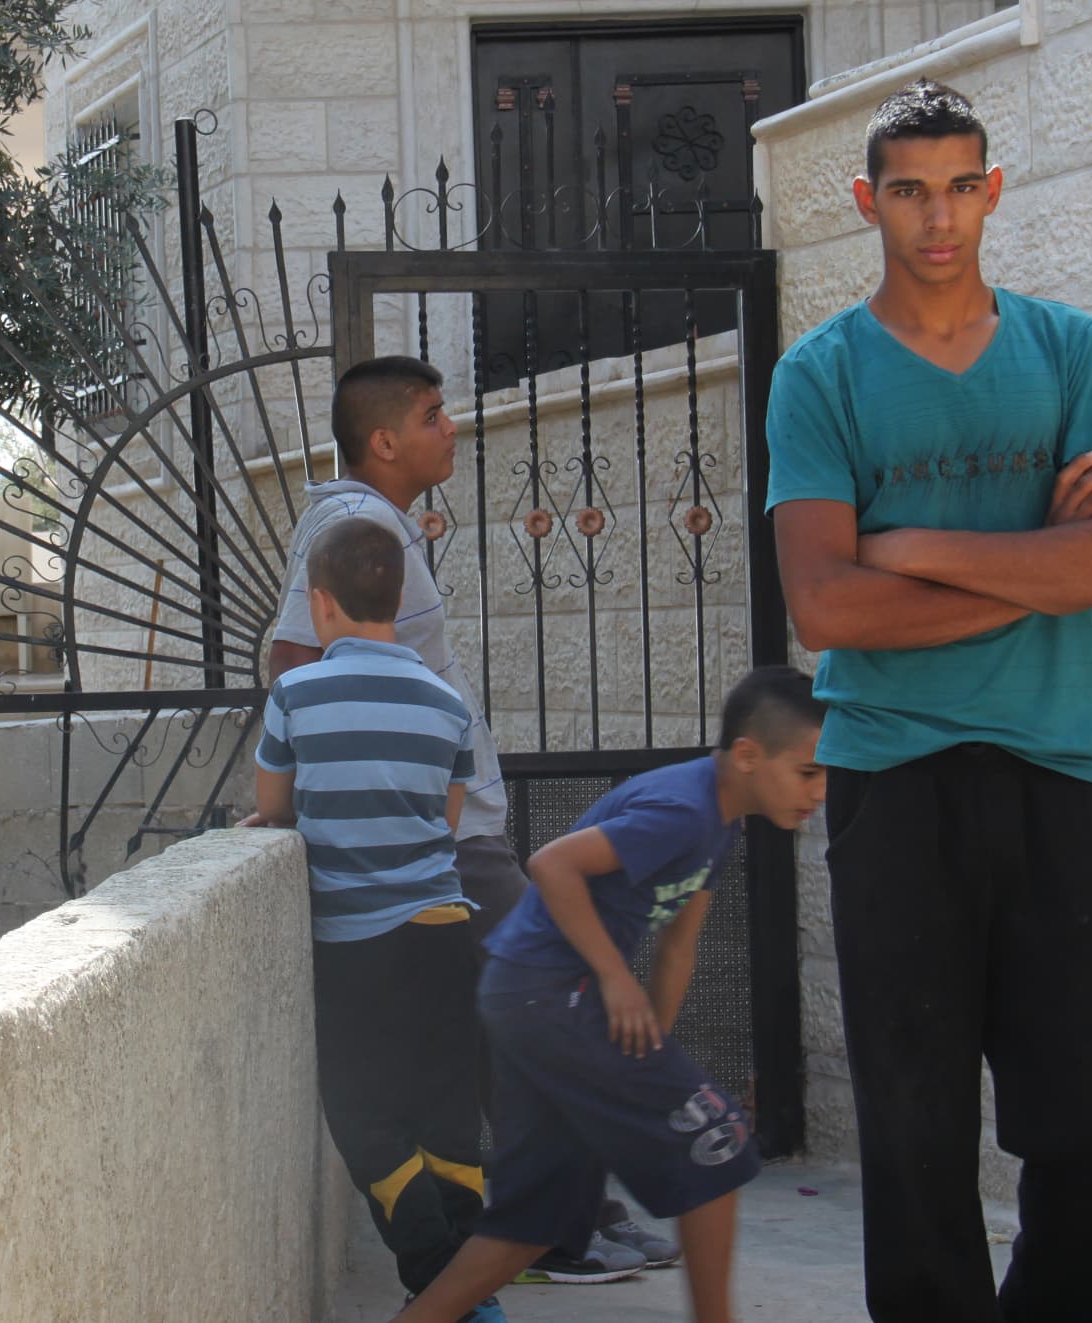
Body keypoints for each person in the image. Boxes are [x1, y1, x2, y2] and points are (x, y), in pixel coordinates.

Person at [763, 78, 1092, 1322]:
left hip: (1062, 774)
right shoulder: (820, 375)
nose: (937, 218)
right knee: (917, 1131)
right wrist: (1036, 567)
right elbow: (826, 611)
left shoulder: (1067, 350)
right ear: (866, 202)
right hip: (895, 784)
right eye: (907, 191)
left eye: (959, 187)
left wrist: (912, 547)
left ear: (991, 190)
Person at [264, 354, 657, 1284]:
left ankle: (559, 1221)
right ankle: (556, 1229)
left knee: (508, 1028)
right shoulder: (355, 523)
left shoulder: (381, 523)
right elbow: (291, 659)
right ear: (385, 440)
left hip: (451, 834)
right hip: (445, 844)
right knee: (542, 1008)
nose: (454, 427)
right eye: (436, 415)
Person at [392, 666, 830, 1323]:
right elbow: (551, 863)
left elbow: (679, 944)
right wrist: (614, 978)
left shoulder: (721, 822)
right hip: (550, 992)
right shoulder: (682, 809)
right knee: (720, 1143)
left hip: (531, 995)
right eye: (808, 772)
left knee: (539, 1215)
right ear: (748, 754)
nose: (818, 792)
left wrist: (655, 1047)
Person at [250, 516, 505, 1323]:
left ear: (321, 604)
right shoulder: (445, 700)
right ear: (397, 597)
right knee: (447, 1118)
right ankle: (471, 1286)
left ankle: (441, 1286)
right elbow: (448, 813)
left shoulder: (295, 692)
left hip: (355, 950)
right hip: (441, 934)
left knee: (362, 1113)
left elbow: (272, 808)